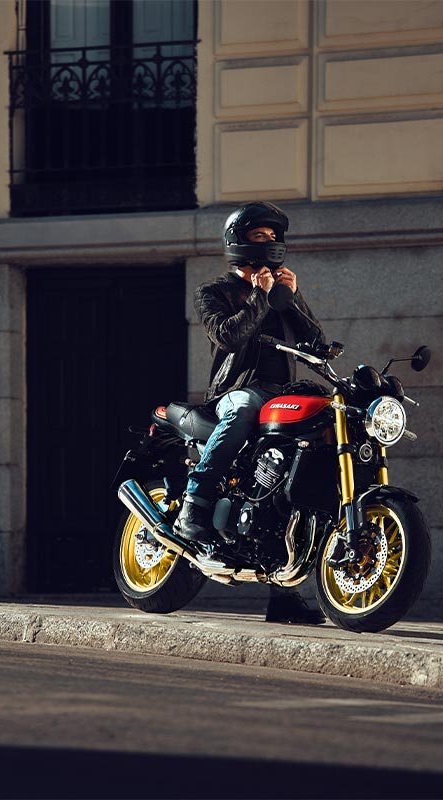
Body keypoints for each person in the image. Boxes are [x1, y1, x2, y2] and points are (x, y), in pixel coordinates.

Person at [175, 200, 326, 624]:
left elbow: (316, 344)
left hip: (283, 397)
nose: (270, 242)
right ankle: (195, 502)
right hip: (238, 391)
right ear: (239, 241)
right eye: (261, 235)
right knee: (242, 408)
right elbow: (228, 336)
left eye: (274, 236)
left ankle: (285, 593)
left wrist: (292, 299)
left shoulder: (281, 294)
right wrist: (260, 295)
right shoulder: (214, 292)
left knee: (292, 481)